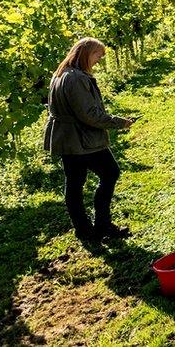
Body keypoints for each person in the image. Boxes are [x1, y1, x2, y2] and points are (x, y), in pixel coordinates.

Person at [43, 38, 134, 243]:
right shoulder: (76, 78)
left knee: (75, 183)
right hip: (82, 139)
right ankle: (100, 225)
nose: (98, 61)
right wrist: (119, 122)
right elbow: (89, 115)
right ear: (85, 53)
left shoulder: (60, 75)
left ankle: (85, 230)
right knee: (109, 173)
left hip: (67, 139)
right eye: (97, 56)